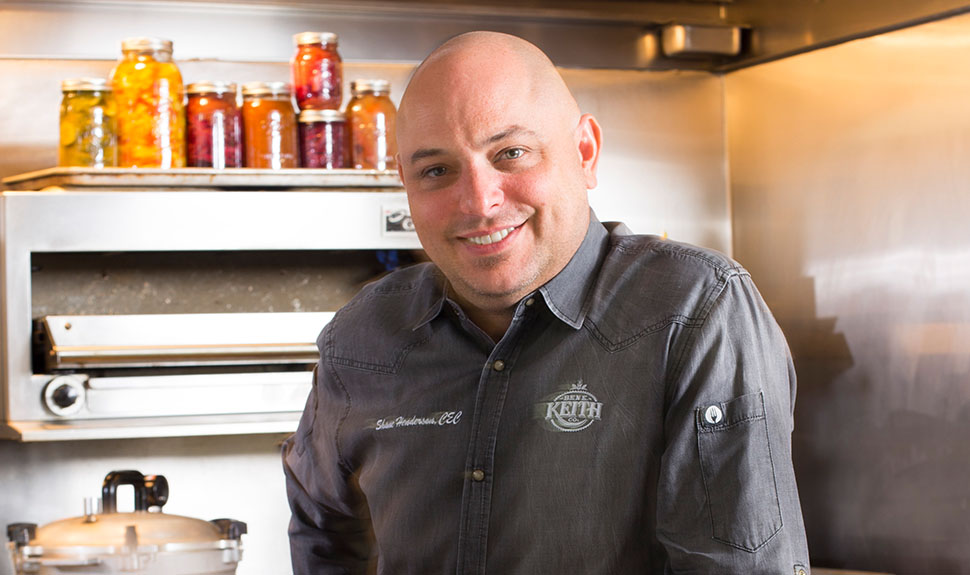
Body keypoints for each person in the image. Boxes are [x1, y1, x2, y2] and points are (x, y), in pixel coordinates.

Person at [283, 31, 811, 574]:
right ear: (405, 182)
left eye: (511, 153)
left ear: (585, 152)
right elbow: (326, 538)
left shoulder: (695, 311)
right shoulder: (362, 336)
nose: (479, 202)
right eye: (436, 170)